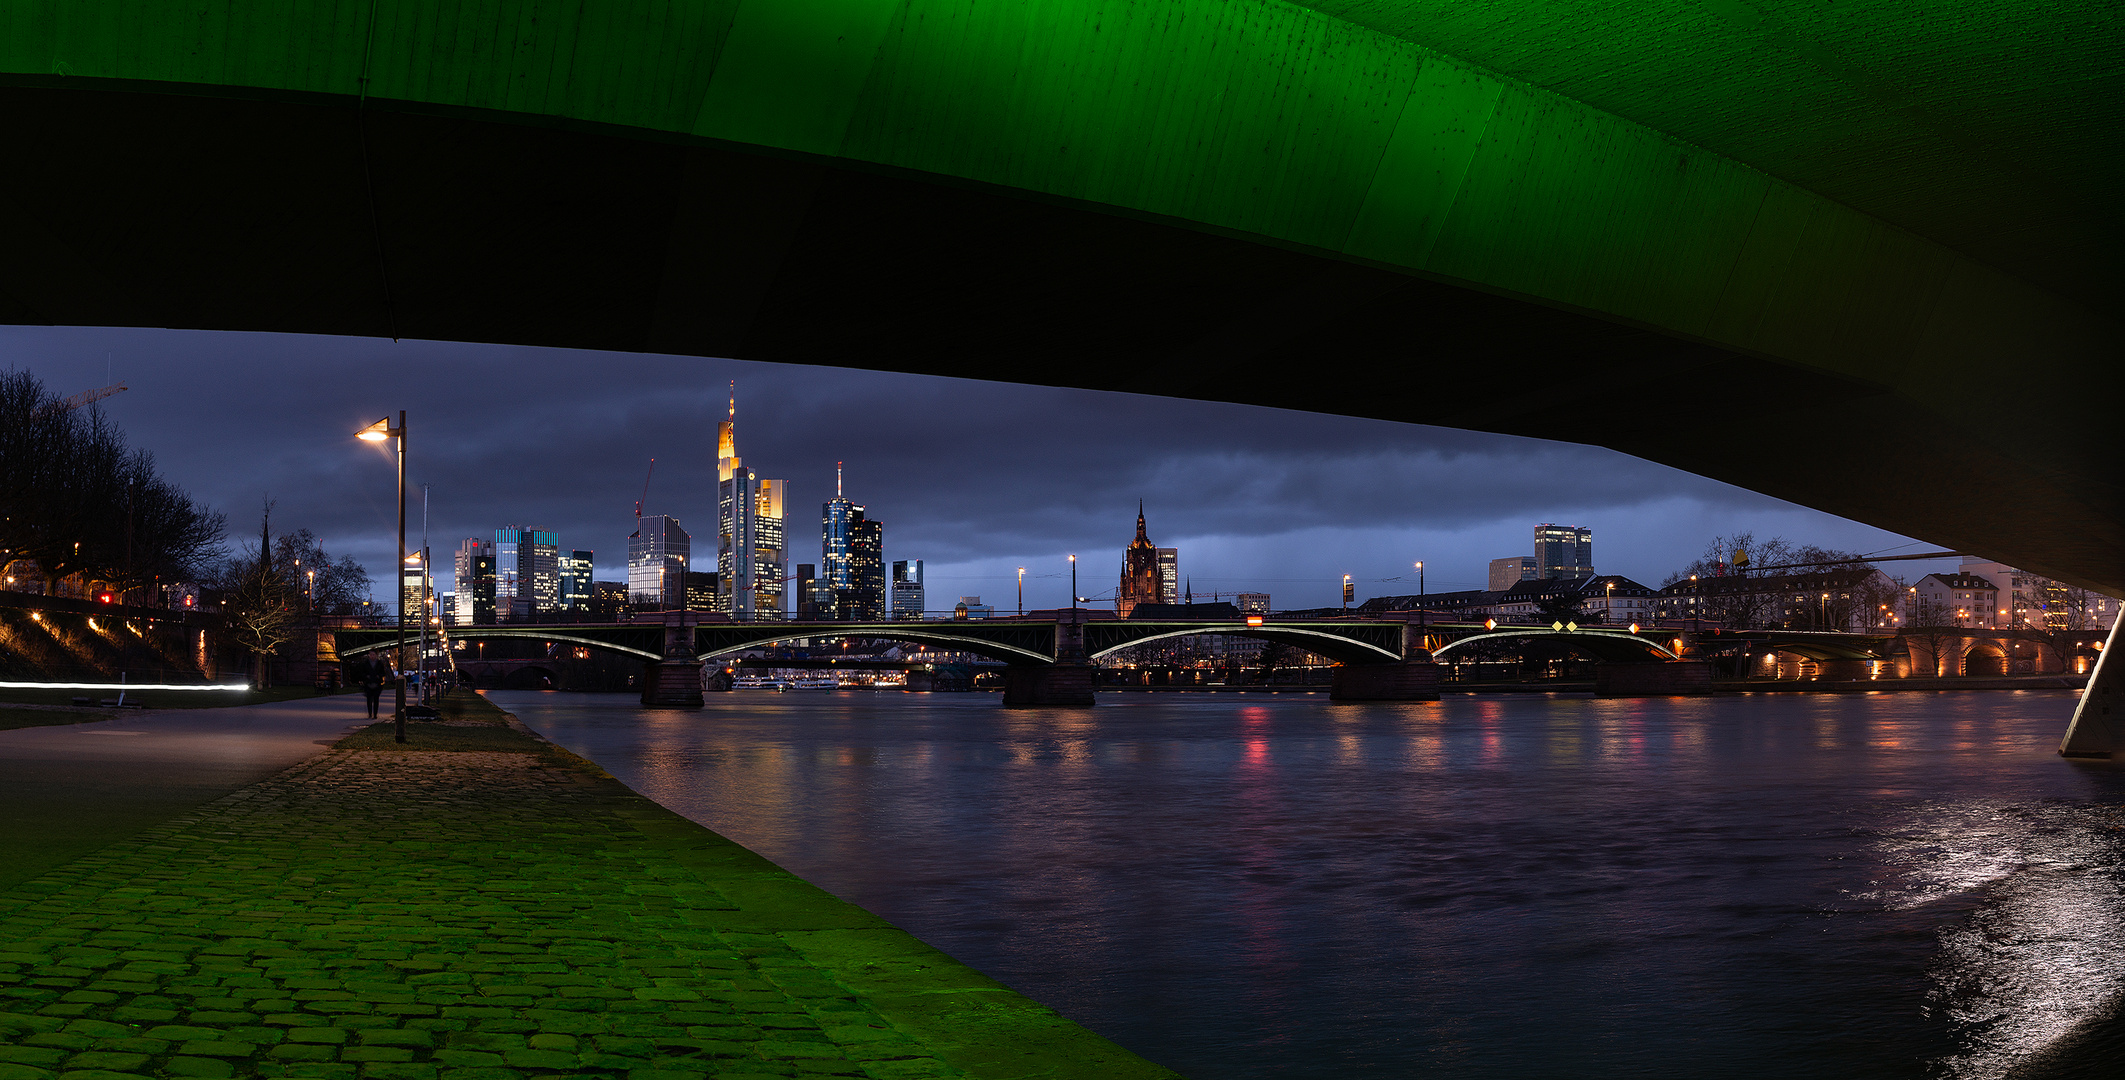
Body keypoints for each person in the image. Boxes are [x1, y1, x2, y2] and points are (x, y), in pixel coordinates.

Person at [358, 653, 389, 720]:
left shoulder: (379, 663)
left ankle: (375, 714)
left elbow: (383, 673)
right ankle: (370, 713)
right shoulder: (366, 663)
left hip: (377, 684)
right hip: (368, 683)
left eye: (373, 654)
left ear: (376, 655)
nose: (372, 656)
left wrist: (379, 676)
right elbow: (362, 673)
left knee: (376, 699)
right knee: (369, 699)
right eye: (371, 654)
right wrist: (366, 676)